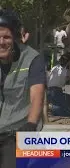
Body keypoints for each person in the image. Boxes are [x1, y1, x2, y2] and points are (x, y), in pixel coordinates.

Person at [0, 9, 46, 168]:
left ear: (15, 39)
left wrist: (31, 124)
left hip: (16, 133)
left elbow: (37, 96)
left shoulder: (32, 59)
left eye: (6, 37)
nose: (1, 42)